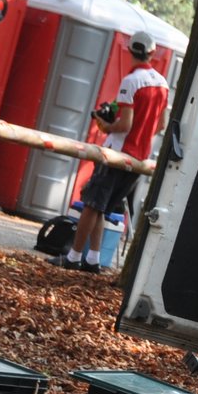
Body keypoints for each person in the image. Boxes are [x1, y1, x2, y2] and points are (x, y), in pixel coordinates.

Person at [53, 29, 169, 272]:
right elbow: (161, 125)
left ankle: (73, 257)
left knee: (91, 204)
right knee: (101, 207)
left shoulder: (131, 81)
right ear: (151, 52)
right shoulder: (162, 83)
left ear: (131, 50)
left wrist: (106, 125)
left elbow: (124, 125)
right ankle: (93, 259)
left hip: (117, 153)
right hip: (139, 159)